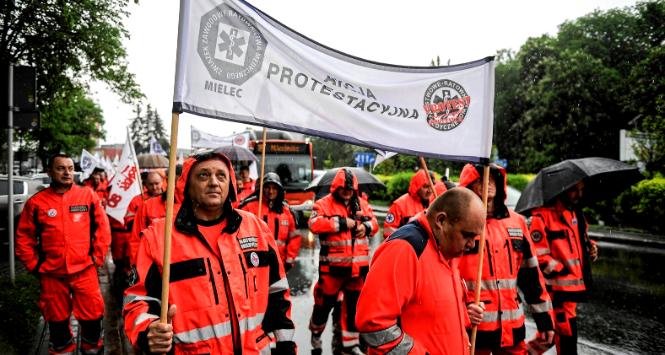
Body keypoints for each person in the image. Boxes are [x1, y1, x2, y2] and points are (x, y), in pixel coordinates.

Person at [123, 152, 296, 354]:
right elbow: (137, 302)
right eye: (203, 175)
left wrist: (286, 345)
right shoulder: (158, 238)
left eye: (221, 176)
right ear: (187, 186)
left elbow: (277, 293)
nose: (214, 182)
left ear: (230, 184)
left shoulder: (257, 228)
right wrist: (148, 331)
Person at [356, 188, 485, 354]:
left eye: (475, 238)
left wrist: (466, 313)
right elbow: (373, 324)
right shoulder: (405, 249)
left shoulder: (447, 249)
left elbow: (433, 310)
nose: (472, 245)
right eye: (467, 236)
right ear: (441, 221)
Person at [15, 153, 111, 355]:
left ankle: (92, 350)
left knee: (93, 315)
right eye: (61, 168)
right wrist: (34, 265)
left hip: (84, 269)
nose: (67, 172)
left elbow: (102, 229)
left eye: (70, 168)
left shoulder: (87, 196)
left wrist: (97, 258)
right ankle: (62, 351)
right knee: (56, 319)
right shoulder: (37, 203)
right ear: (49, 171)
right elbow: (24, 237)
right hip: (51, 273)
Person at [457, 163, 554, 354]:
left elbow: (531, 276)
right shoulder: (458, 223)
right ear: (468, 185)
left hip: (512, 331)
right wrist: (462, 310)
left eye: (493, 177)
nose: (489, 182)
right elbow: (444, 277)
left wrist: (544, 320)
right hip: (473, 330)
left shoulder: (517, 222)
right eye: (481, 178)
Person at [308, 168, 379, 355]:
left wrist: (366, 226)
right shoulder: (323, 204)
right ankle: (316, 334)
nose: (347, 191)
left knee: (354, 309)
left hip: (358, 271)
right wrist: (340, 222)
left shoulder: (362, 204)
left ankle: (351, 344)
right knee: (323, 307)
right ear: (336, 187)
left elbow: (375, 224)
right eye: (343, 188)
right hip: (332, 270)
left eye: (350, 188)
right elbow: (314, 224)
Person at [526, 180, 599, 355]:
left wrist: (591, 248)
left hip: (572, 292)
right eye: (574, 190)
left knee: (550, 337)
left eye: (581, 190)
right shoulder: (541, 217)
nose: (579, 195)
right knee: (566, 337)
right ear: (562, 188)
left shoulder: (577, 215)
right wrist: (562, 271)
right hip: (556, 292)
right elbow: (537, 256)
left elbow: (581, 242)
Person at [239, 172, 302, 271]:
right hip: (253, 263)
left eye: (274, 188)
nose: (271, 191)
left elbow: (295, 237)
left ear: (279, 190)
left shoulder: (287, 211)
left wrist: (290, 259)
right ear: (262, 188)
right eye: (267, 187)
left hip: (279, 263)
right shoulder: (248, 206)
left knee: (280, 287)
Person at [383, 169, 433, 238]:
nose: (430, 191)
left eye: (432, 186)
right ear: (417, 186)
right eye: (426, 186)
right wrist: (407, 236)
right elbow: (387, 231)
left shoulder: (433, 204)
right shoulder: (399, 204)